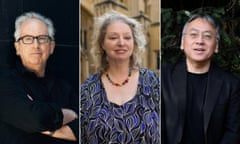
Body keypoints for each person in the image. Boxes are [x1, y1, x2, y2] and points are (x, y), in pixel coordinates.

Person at [80, 11, 160, 143]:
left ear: (134, 43)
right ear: (102, 44)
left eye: (127, 37)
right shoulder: (87, 89)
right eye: (113, 38)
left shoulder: (152, 82)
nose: (121, 43)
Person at [0, 12, 78, 144]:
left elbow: (85, 128)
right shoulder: (5, 82)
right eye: (28, 39)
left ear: (51, 46)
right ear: (17, 47)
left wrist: (43, 126)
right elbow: (36, 119)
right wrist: (69, 115)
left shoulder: (64, 87)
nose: (36, 45)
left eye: (42, 38)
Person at [161, 13, 240, 144]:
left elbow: (233, 132)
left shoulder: (231, 85)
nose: (200, 41)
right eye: (193, 35)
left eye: (208, 36)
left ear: (216, 46)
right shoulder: (163, 78)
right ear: (182, 43)